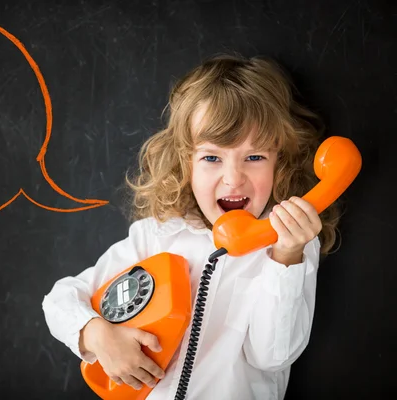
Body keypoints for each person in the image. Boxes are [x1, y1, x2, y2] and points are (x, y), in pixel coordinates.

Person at [42, 53, 342, 400]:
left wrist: (286, 256)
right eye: (212, 158)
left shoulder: (291, 244)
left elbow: (273, 355)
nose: (233, 179)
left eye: (255, 157)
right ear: (186, 162)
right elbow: (59, 301)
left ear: (281, 161)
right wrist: (96, 334)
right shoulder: (157, 236)